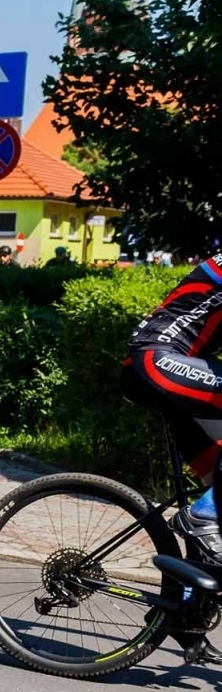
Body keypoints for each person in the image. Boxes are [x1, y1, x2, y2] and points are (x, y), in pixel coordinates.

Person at [121, 256, 222, 661]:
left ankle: (187, 618)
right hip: (157, 358)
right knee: (210, 511)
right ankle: (204, 516)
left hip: (177, 368)